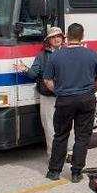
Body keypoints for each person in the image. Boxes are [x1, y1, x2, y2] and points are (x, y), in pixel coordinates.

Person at [43, 23, 97, 182]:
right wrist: (94, 89)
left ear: (67, 36)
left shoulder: (56, 56)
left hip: (64, 100)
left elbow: (47, 80)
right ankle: (76, 172)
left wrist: (58, 91)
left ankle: (54, 171)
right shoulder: (91, 54)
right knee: (82, 137)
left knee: (60, 135)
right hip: (86, 100)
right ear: (82, 36)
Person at [15, 26, 71, 156]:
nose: (56, 39)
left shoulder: (68, 52)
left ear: (63, 39)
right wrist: (24, 68)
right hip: (48, 96)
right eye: (53, 37)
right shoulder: (42, 56)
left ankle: (69, 152)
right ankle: (53, 154)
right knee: (49, 126)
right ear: (48, 40)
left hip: (66, 95)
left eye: (59, 36)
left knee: (68, 124)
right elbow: (34, 74)